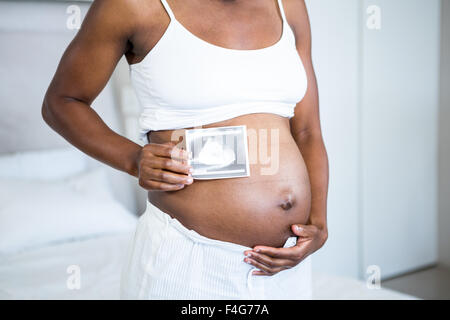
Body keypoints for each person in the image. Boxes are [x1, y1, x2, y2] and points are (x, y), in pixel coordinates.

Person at [42, 0, 329, 299]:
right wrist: (133, 159)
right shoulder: (132, 6)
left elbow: (308, 131)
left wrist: (318, 223)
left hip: (284, 269)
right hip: (188, 266)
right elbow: (61, 102)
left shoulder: (289, 5)